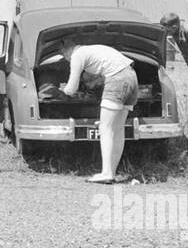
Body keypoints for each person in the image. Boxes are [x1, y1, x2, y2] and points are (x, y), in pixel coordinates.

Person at [57, 39, 139, 183]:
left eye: (63, 55)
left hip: (117, 79)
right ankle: (111, 173)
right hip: (132, 76)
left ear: (66, 49)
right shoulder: (91, 50)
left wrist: (61, 90)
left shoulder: (77, 55)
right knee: (118, 129)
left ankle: (106, 173)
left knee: (105, 128)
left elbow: (71, 88)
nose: (65, 58)